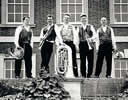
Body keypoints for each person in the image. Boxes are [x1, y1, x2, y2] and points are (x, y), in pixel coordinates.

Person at [78, 14, 96, 78]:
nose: (84, 20)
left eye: (85, 18)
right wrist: (77, 46)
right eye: (82, 19)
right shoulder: (78, 27)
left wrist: (91, 39)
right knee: (82, 60)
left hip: (89, 44)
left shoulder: (90, 26)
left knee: (90, 60)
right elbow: (77, 37)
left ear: (86, 19)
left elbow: (95, 35)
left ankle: (89, 74)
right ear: (81, 20)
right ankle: (83, 74)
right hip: (82, 44)